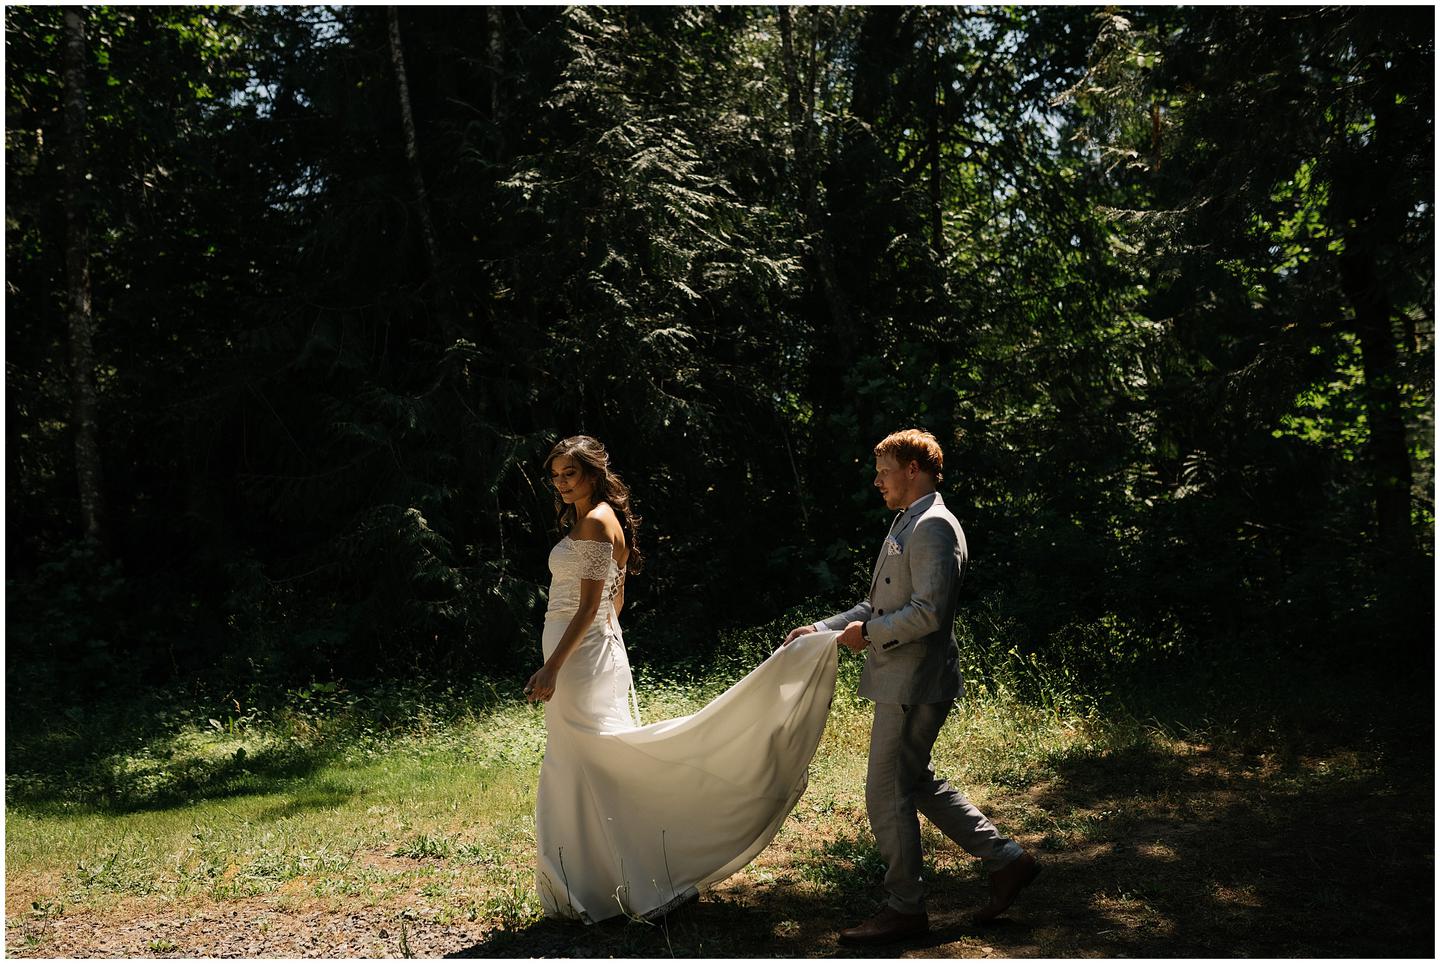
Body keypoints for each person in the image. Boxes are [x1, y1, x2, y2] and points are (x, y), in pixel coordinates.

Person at [525, 435, 839, 923]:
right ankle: (605, 880)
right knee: (587, 760)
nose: (561, 483)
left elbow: (590, 607)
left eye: (570, 473)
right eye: (556, 476)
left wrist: (554, 665)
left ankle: (616, 880)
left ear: (592, 473)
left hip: (578, 657)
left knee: (593, 757)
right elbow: (616, 601)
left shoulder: (592, 522)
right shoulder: (606, 518)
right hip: (592, 650)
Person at [784, 428, 1040, 944]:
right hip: (905, 678)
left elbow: (928, 612)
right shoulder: (910, 520)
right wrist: (826, 629)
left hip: (914, 681)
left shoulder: (934, 528)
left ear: (912, 471)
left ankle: (905, 908)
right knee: (913, 781)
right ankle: (1007, 860)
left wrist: (869, 635)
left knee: (885, 793)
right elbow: (878, 604)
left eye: (883, 472)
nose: (876, 481)